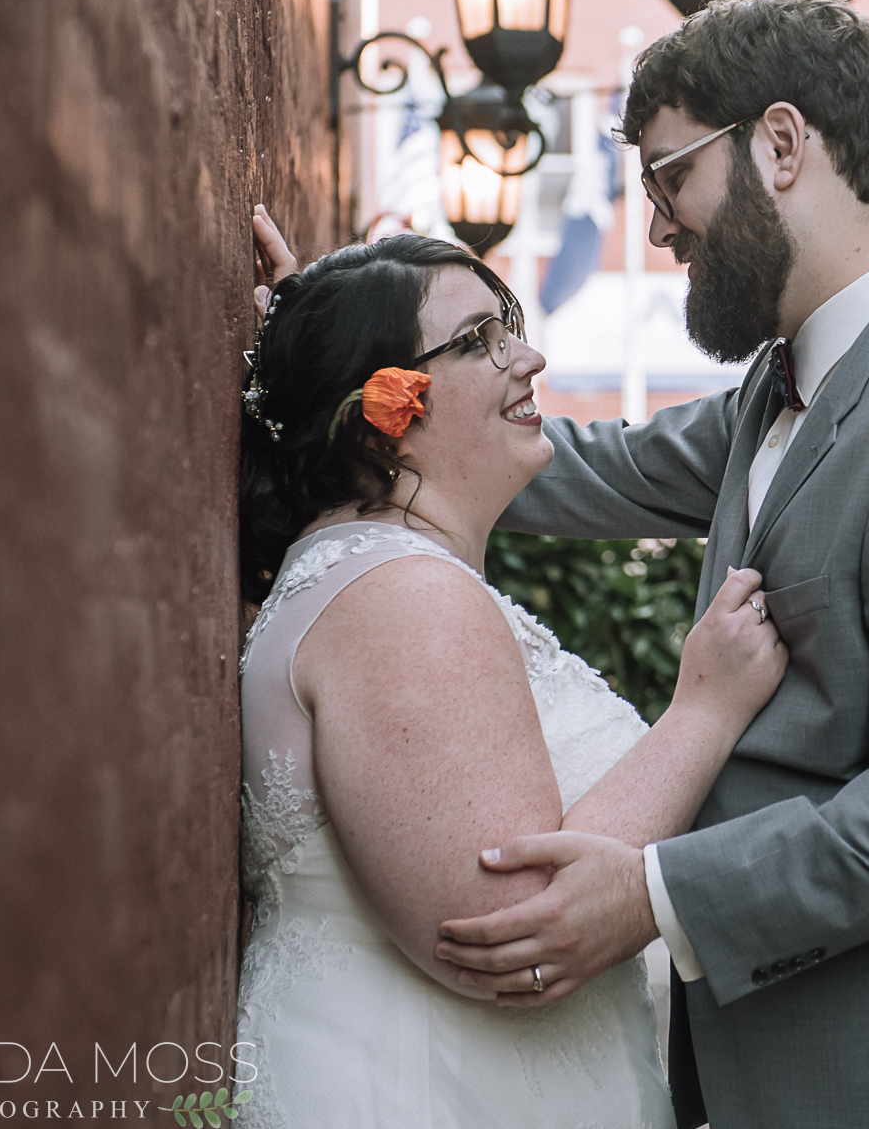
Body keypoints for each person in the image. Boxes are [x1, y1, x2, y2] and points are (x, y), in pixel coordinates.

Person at [251, 0, 869, 1128]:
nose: (654, 224)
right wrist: (347, 379)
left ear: (781, 145)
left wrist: (653, 890)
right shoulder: (788, 382)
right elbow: (555, 459)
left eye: (667, 175)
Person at [233, 231, 786, 1128]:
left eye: (509, 327)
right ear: (385, 410)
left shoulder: (374, 571)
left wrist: (334, 323)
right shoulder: (403, 597)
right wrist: (706, 711)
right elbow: (516, 931)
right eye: (478, 340)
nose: (527, 356)